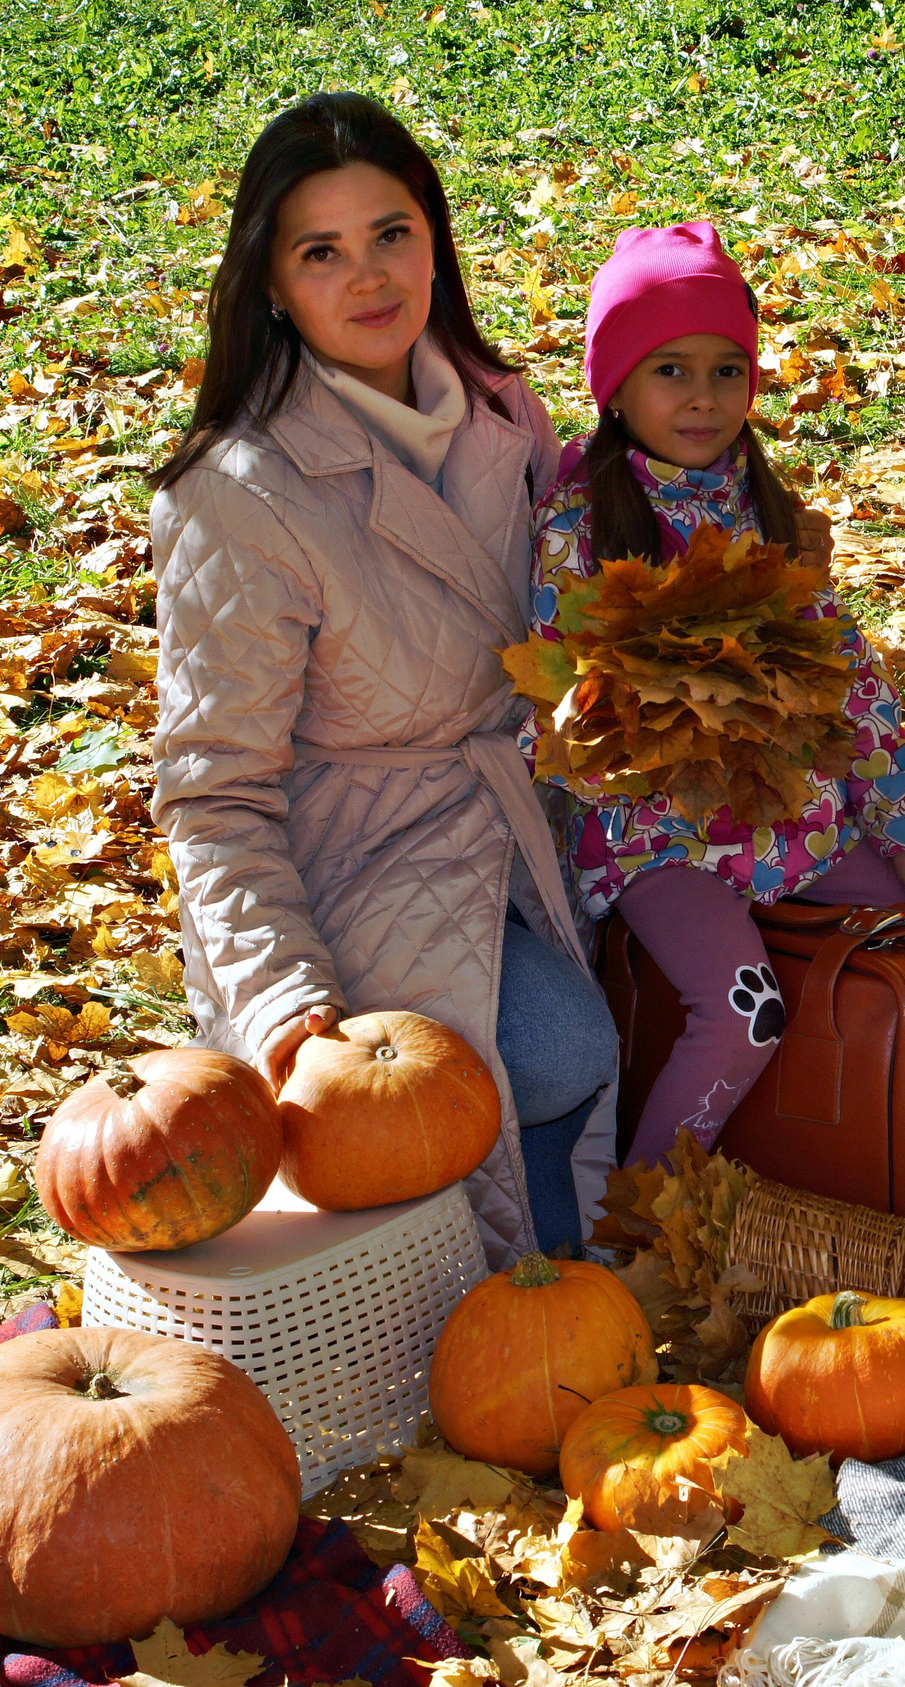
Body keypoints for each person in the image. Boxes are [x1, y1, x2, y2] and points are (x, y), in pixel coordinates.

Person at [146, 93, 621, 1264]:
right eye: (322, 252)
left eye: (392, 234)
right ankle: (532, 1313)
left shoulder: (503, 410)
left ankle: (586, 1285)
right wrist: (284, 1005)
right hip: (355, 863)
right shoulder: (240, 495)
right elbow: (213, 796)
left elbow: (565, 615)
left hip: (525, 815)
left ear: (434, 240)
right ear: (271, 281)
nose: (369, 278)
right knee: (557, 1049)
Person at [530, 221, 905, 1168]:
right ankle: (645, 1217)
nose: (702, 397)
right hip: (655, 838)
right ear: (616, 386)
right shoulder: (580, 528)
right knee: (745, 1008)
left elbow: (852, 687)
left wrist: (903, 835)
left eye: (728, 370)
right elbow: (572, 721)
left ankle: (860, 1168)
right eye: (671, 370)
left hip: (788, 818)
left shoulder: (766, 515)